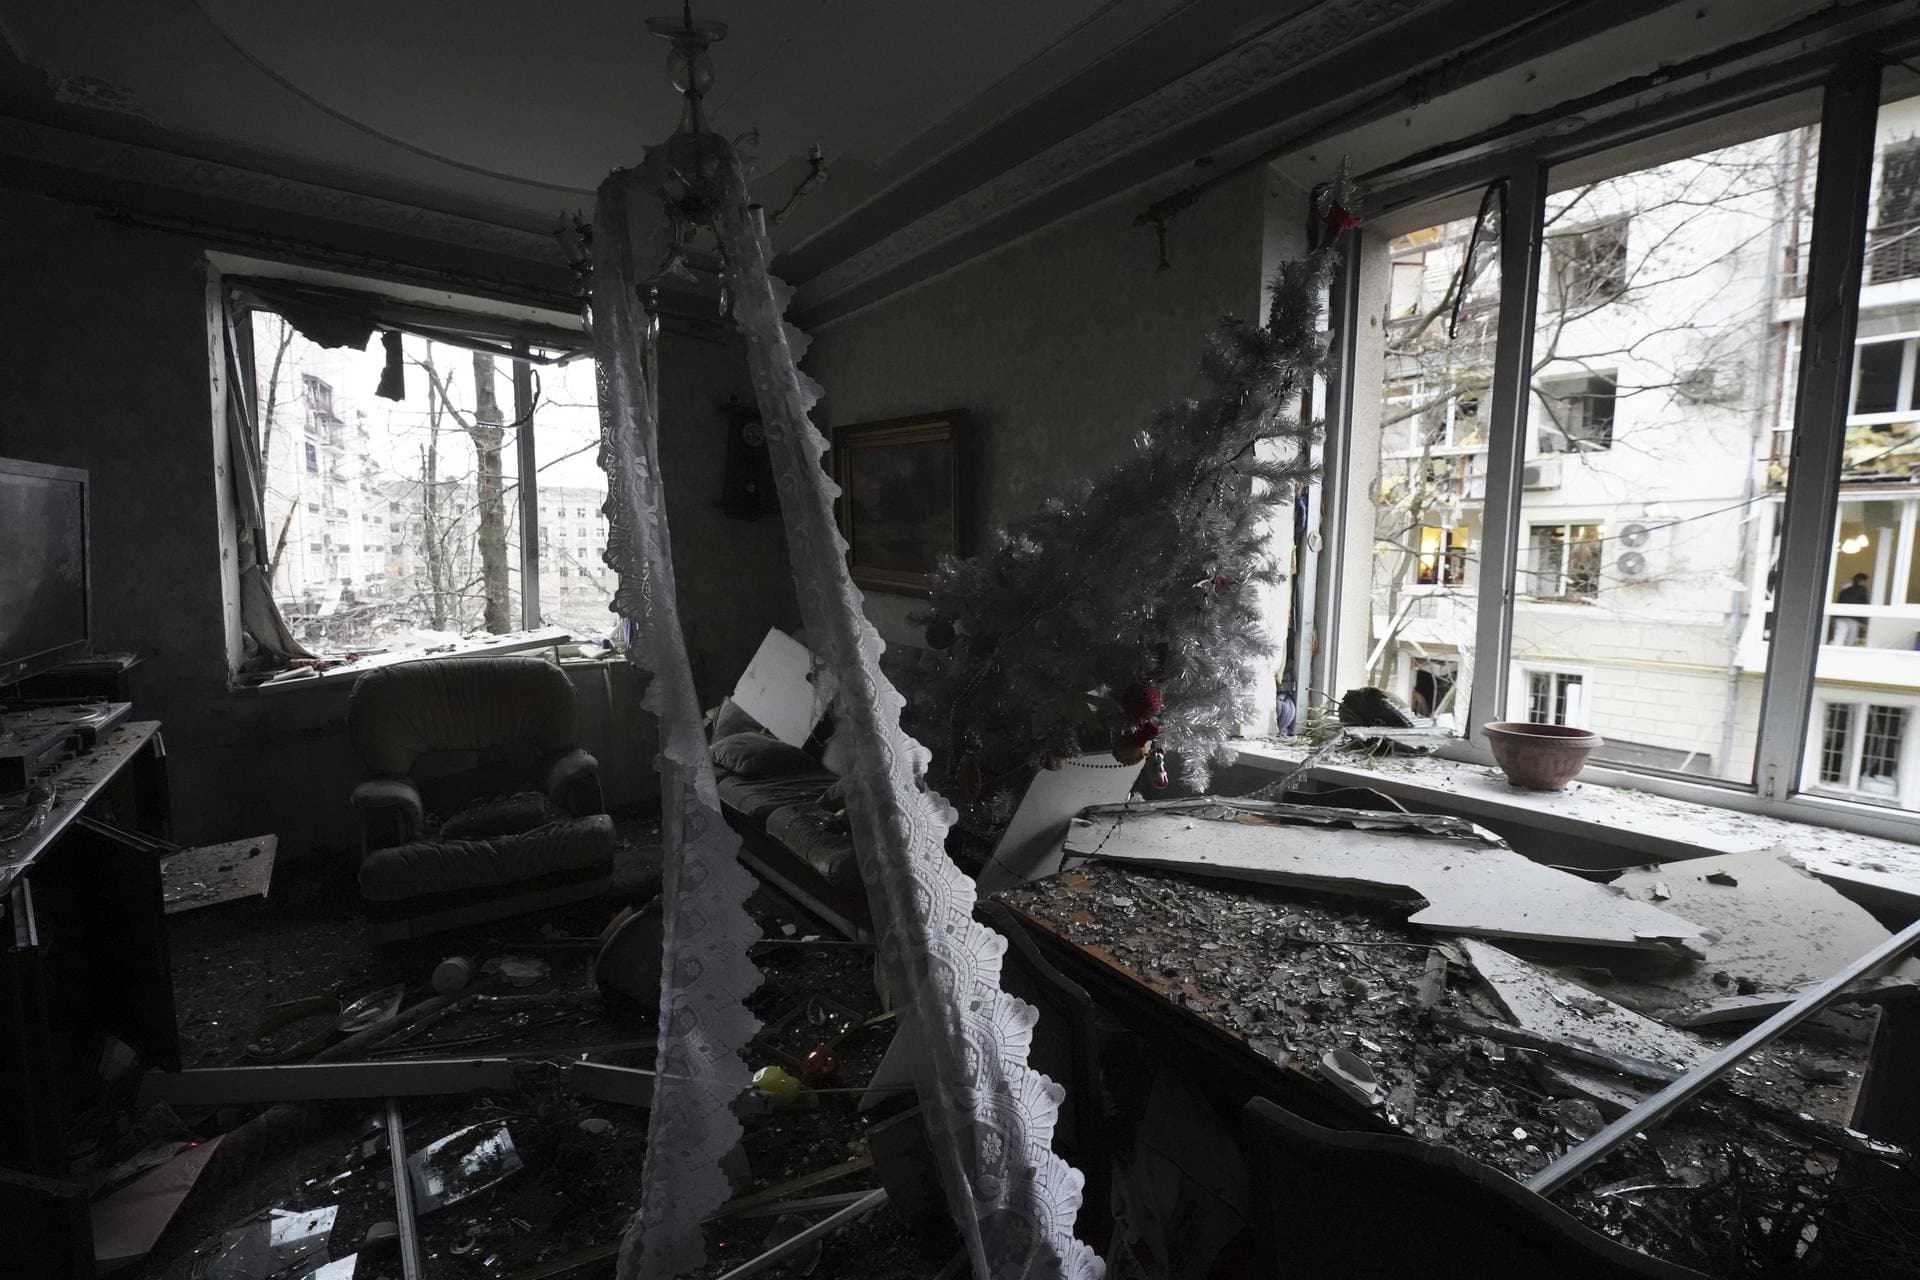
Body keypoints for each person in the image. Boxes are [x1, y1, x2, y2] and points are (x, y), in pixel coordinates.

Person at [1832, 572, 1870, 645]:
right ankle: (1847, 650)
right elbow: (1864, 604)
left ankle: (1836, 649)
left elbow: (1839, 602)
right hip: (1853, 616)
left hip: (1840, 615)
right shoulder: (1862, 590)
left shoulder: (1844, 590)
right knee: (1851, 636)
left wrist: (1834, 616)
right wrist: (1864, 621)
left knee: (1840, 635)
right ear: (1862, 581)